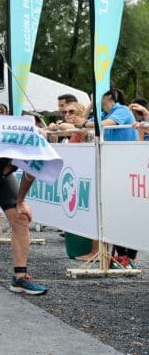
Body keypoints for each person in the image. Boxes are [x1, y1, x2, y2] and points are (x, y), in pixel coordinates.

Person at [70, 89, 138, 268]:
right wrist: (90, 105)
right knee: (112, 212)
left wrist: (84, 122)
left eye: (97, 94)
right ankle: (120, 255)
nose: (95, 97)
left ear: (109, 96)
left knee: (124, 212)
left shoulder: (121, 110)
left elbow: (106, 124)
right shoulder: (102, 113)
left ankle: (128, 257)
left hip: (125, 167)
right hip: (110, 167)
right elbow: (80, 126)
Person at [0, 158, 48, 296]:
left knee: (21, 217)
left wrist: (20, 202)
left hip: (2, 174)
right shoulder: (2, 142)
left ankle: (20, 278)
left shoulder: (34, 145)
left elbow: (31, 171)